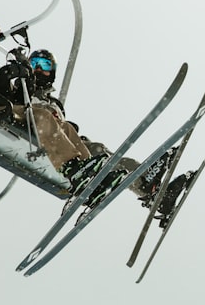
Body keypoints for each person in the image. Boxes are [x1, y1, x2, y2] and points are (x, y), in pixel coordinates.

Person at [0, 17, 119, 206]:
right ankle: (72, 167)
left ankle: (89, 176)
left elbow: (13, 95)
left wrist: (24, 75)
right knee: (42, 116)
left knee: (67, 128)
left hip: (0, 105)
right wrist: (9, 72)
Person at [27, 48, 194, 216]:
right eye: (34, 64)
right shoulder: (24, 88)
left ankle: (149, 187)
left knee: (102, 152)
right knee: (56, 126)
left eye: (45, 65)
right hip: (37, 136)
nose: (39, 69)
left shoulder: (52, 101)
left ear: (52, 70)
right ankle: (79, 170)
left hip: (60, 140)